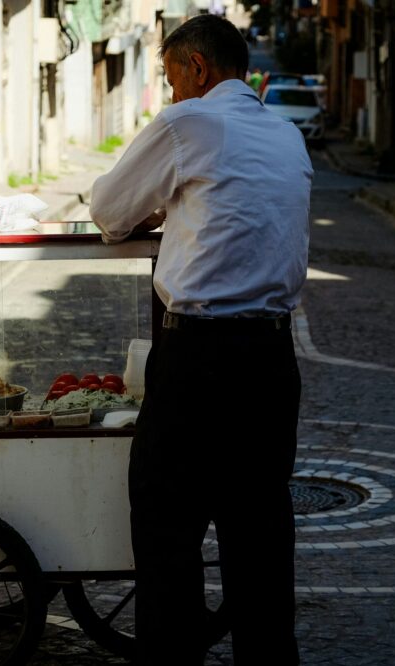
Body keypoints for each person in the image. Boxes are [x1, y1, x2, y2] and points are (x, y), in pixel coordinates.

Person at [89, 14, 312, 666]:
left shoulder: (191, 124)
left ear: (197, 69)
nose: (170, 96)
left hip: (200, 361)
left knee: (167, 531)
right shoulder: (288, 135)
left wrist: (162, 206)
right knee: (261, 538)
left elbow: (109, 210)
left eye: (170, 80)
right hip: (272, 360)